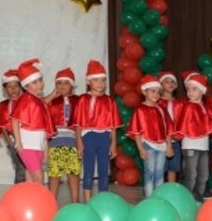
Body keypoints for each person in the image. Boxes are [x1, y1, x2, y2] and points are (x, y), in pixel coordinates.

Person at [73, 60, 122, 202]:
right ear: (89, 82)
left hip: (104, 137)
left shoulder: (109, 101)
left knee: (103, 170)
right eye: (96, 80)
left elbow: (113, 125)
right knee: (88, 169)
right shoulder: (83, 100)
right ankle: (88, 201)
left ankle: (102, 200)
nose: (100, 83)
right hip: (88, 137)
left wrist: (113, 143)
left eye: (103, 80)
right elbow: (78, 124)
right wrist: (79, 142)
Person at [11, 59, 56, 184]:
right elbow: (15, 119)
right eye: (34, 82)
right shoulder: (25, 99)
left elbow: (44, 127)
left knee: (31, 177)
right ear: (25, 86)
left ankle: (31, 201)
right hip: (27, 146)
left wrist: (45, 147)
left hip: (38, 145)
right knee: (39, 178)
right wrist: (18, 142)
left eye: (40, 80)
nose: (39, 84)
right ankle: (42, 202)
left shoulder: (39, 101)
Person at [128, 75, 174, 197]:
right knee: (149, 173)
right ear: (144, 91)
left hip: (162, 146)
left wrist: (169, 145)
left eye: (158, 92)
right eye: (152, 91)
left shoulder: (162, 109)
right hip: (148, 145)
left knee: (159, 173)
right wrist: (141, 149)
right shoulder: (140, 110)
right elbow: (136, 131)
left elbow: (167, 129)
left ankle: (158, 198)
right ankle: (149, 199)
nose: (156, 95)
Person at [176, 74, 212, 201]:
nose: (190, 92)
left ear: (202, 91)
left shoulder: (204, 107)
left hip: (203, 146)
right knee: (191, 174)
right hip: (190, 145)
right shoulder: (188, 107)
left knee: (203, 175)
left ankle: (198, 198)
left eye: (194, 89)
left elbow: (208, 125)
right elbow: (183, 124)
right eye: (188, 89)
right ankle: (187, 199)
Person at [45, 68, 81, 202]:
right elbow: (39, 107)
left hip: (72, 141)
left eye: (66, 83)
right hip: (55, 141)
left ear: (72, 85)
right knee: (54, 174)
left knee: (73, 173)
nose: (62, 86)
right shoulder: (51, 101)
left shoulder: (78, 100)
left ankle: (75, 200)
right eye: (59, 83)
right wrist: (52, 96)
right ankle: (51, 201)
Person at [0, 69, 26, 183]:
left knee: (28, 168)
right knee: (20, 167)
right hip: (13, 142)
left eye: (16, 86)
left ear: (20, 87)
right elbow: (2, 126)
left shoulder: (26, 102)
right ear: (5, 89)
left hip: (27, 140)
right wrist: (9, 142)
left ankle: (29, 192)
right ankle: (18, 192)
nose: (13, 89)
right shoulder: (2, 105)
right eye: (9, 87)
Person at [158, 71, 184, 182]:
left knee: (173, 167)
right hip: (160, 141)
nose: (170, 84)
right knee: (160, 167)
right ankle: (159, 189)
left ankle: (170, 188)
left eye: (173, 82)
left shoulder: (180, 104)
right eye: (167, 81)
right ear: (161, 85)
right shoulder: (158, 103)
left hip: (175, 141)